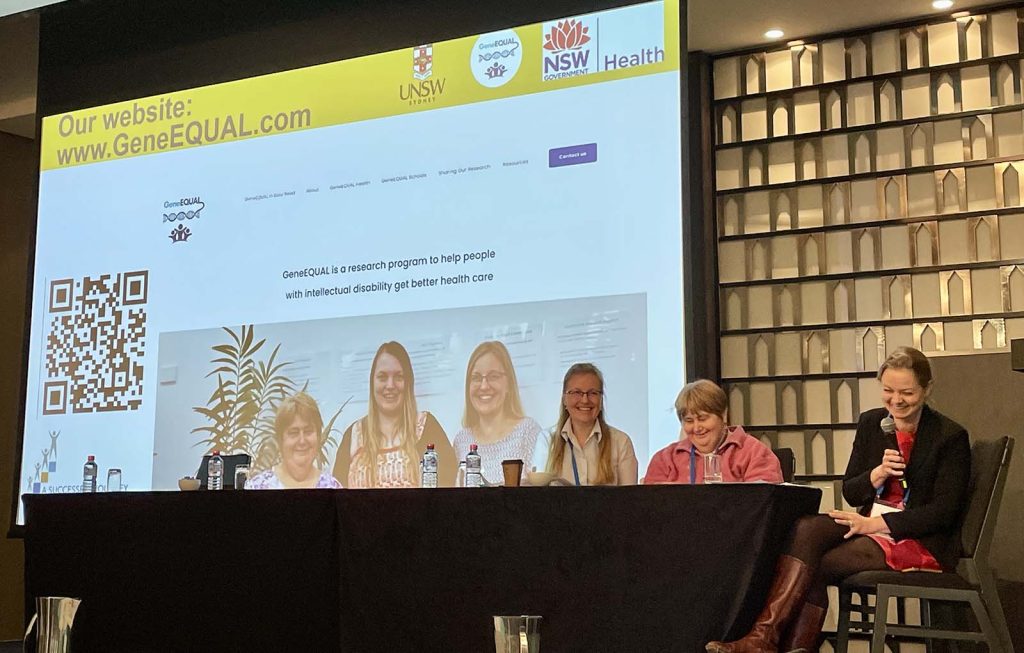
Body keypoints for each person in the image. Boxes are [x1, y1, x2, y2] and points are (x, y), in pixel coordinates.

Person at [706, 347, 971, 653]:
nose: (896, 401)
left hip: (918, 539)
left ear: (926, 389)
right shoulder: (873, 423)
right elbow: (851, 491)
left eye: (907, 393)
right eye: (888, 391)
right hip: (872, 524)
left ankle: (770, 642)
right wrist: (877, 474)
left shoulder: (949, 436)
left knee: (820, 564)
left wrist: (875, 524)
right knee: (807, 528)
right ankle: (764, 638)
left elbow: (943, 513)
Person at [333, 341, 456, 487]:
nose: (390, 385)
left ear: (408, 383)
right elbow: (336, 499)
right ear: (372, 383)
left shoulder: (426, 427)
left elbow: (448, 490)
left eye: (398, 377)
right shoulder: (353, 435)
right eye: (382, 377)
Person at [643, 379, 782, 484]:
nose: (697, 428)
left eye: (702, 418)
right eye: (689, 421)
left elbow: (764, 507)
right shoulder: (665, 460)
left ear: (724, 415)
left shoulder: (754, 453)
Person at [452, 341, 543, 484]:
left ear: (509, 384)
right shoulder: (461, 440)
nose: (484, 386)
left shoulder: (528, 432)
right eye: (476, 378)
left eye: (493, 376)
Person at [544, 363, 638, 485]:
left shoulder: (621, 442)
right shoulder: (546, 441)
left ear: (601, 399)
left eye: (593, 393)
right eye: (577, 392)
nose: (585, 400)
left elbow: (630, 499)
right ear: (564, 399)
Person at [246, 392, 342, 489]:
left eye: (308, 431)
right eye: (294, 432)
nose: (302, 441)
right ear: (280, 440)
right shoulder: (257, 487)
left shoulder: (333, 488)